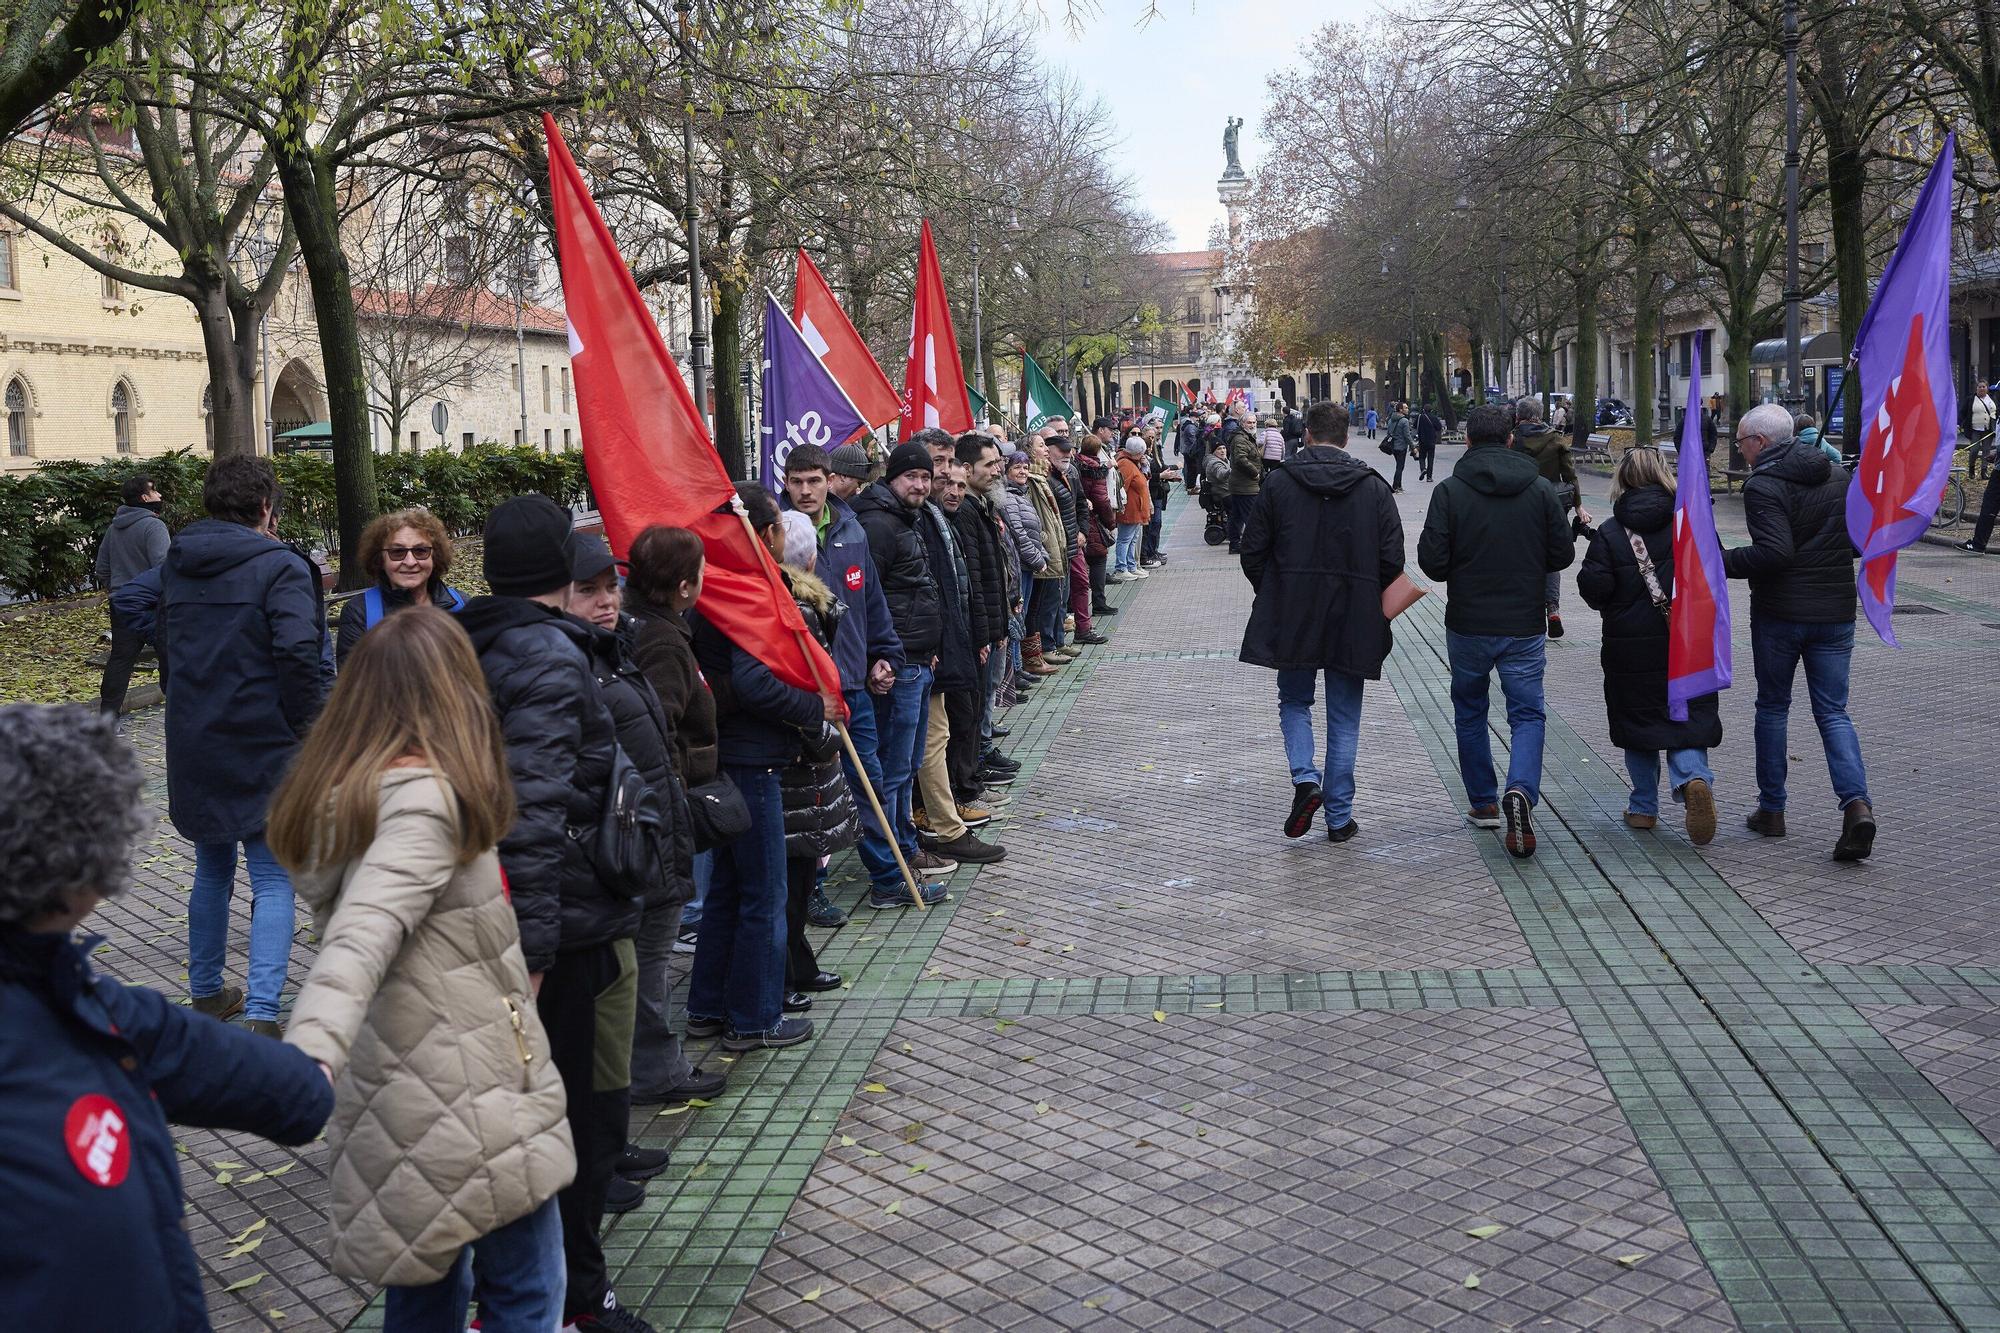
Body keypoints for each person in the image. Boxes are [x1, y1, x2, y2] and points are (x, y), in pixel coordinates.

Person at [270, 609, 575, 1331]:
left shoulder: (349, 794)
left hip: (398, 1090)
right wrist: (308, 1053)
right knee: (530, 1285)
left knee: (424, 1284)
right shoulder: (423, 800)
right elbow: (362, 933)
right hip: (469, 1090)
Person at [0, 703, 333, 1331]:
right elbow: (302, 1092)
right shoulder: (82, 1011)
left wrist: (309, 1079)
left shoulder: (87, 1002)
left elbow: (287, 1091)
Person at [456, 494, 648, 1333]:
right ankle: (576, 1298)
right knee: (583, 1114)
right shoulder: (546, 656)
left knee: (543, 1118)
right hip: (567, 928)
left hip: (542, 918)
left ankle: (539, 1292)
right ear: (555, 576)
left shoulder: (472, 642)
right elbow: (527, 813)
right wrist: (529, 954)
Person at [160, 454, 327, 1035]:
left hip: (194, 739)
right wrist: (311, 728)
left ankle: (207, 993)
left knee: (211, 866)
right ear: (265, 508)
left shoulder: (176, 562)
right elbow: (298, 654)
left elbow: (155, 636)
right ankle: (260, 1013)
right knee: (274, 876)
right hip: (263, 742)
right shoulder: (282, 567)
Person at [566, 532, 696, 1210]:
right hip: (613, 858)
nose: (607, 601)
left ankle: (613, 1143)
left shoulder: (616, 653)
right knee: (612, 1005)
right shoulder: (569, 668)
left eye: (611, 588)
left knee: (632, 991)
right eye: (590, 590)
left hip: (647, 837)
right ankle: (597, 1161)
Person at [689, 484, 842, 1049]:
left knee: (731, 888)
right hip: (752, 761)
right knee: (764, 892)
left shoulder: (722, 588)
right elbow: (755, 682)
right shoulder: (748, 595)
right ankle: (755, 1018)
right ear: (764, 534)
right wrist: (813, 705)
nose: (783, 532)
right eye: (777, 523)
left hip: (734, 755)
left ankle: (707, 1006)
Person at [1239, 403, 1403, 843]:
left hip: (1294, 611)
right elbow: (1394, 559)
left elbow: (1253, 550)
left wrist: (1277, 589)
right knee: (1345, 717)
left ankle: (1305, 779)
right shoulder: (1373, 487)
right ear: (1346, 437)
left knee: (1294, 701)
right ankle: (1338, 816)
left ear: (1307, 435)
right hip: (1354, 613)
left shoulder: (1278, 483)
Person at [1418, 403, 1575, 858]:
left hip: (1468, 622)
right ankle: (1521, 790)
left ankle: (1484, 801)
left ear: (1467, 441)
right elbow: (1561, 556)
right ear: (1511, 438)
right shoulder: (1541, 490)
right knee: (1527, 713)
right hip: (1523, 622)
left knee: (1470, 710)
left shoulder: (1449, 492)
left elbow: (1432, 562)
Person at [1724, 403, 1875, 861]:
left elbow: (1775, 553)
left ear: (1762, 443)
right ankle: (1856, 805)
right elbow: (1856, 542)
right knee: (1833, 712)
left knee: (1772, 707)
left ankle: (1772, 810)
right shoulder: (1838, 476)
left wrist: (1721, 560)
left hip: (1781, 613)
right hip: (1834, 611)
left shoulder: (1763, 485)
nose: (1739, 448)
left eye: (1742, 441)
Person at [622, 525, 731, 1108]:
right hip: (663, 806)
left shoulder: (655, 626)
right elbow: (655, 726)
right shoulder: (662, 641)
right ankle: (657, 1070)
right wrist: (681, 779)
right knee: (652, 951)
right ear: (685, 584)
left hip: (663, 799)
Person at [780, 443, 900, 927]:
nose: (806, 491)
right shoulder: (774, 533)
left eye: (814, 480)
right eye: (796, 482)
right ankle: (813, 890)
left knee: (868, 781)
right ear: (785, 482)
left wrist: (884, 653)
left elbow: (870, 599)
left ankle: (889, 876)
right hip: (806, 696)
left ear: (830, 479)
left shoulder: (850, 527)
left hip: (853, 683)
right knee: (816, 796)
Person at [1576, 448, 1722, 845]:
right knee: (1686, 715)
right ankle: (1693, 778)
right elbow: (1715, 570)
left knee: (1638, 721)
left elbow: (1595, 589)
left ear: (1620, 480)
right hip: (1687, 640)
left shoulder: (1610, 531)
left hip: (1630, 644)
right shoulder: (1689, 522)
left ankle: (1643, 807)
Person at [848, 446, 954, 909]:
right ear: (892, 478)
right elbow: (868, 602)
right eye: (911, 476)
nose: (921, 485)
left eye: (925, 477)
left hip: (918, 659)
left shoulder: (904, 519)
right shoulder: (878, 525)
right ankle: (892, 864)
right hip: (898, 664)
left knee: (906, 768)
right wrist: (883, 657)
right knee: (891, 772)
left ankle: (905, 848)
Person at [774, 514, 858, 1013]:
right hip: (799, 758)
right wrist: (822, 728)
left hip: (811, 756)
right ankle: (786, 969)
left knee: (801, 869)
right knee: (790, 874)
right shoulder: (796, 613)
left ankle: (797, 961)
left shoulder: (812, 607)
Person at [906, 442, 1005, 867]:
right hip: (919, 654)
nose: (943, 479)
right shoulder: (903, 521)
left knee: (942, 734)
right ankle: (938, 826)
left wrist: (979, 631)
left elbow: (966, 581)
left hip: (944, 645)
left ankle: (944, 818)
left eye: (948, 469)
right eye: (936, 468)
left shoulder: (934, 516)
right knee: (923, 745)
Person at [333, 506, 467, 665]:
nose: (410, 562)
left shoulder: (462, 604)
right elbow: (353, 686)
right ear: (380, 558)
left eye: (421, 551)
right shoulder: (360, 613)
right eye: (397, 552)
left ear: (435, 556)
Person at [1510, 396, 1587, 638]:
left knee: (1521, 554)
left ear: (1518, 415)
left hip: (1517, 505)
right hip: (1551, 505)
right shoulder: (1555, 438)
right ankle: (1552, 608)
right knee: (1551, 556)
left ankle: (1524, 608)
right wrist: (1579, 507)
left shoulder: (1512, 439)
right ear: (1540, 414)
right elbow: (1570, 475)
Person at [95, 473, 171, 716]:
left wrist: (118, 590)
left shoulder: (113, 529)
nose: (159, 495)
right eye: (154, 491)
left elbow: (101, 568)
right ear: (144, 497)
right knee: (168, 656)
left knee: (120, 660)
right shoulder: (154, 526)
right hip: (152, 605)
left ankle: (107, 718)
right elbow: (165, 567)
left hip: (121, 603)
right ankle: (176, 710)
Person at [1023, 436, 1072, 668]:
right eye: (1040, 446)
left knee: (1054, 600)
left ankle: (1052, 643)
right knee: (1042, 604)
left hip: (1053, 547)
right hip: (1044, 552)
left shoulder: (1041, 478)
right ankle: (1044, 648)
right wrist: (1042, 540)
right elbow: (1032, 518)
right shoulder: (1031, 481)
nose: (1045, 450)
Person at [1075, 434, 1120, 622]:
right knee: (1099, 559)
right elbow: (1102, 499)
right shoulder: (1095, 470)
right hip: (1092, 519)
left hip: (1078, 518)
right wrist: (1111, 522)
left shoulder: (1076, 465)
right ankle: (1099, 603)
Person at [1112, 436, 1154, 579]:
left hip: (1136, 509)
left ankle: (1131, 565)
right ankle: (1121, 568)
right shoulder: (1126, 464)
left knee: (1132, 538)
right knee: (1125, 539)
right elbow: (1122, 488)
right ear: (1139, 452)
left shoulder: (1132, 462)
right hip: (1130, 510)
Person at [1141, 423, 1178, 567]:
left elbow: (1159, 467)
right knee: (1151, 524)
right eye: (1149, 436)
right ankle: (1147, 553)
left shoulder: (1155, 450)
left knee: (1157, 523)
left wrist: (1170, 474)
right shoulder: (1142, 453)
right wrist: (1161, 476)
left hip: (1158, 492)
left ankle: (1153, 550)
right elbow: (1146, 476)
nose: (1152, 439)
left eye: (1153, 436)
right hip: (1150, 492)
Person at [1225, 407, 1263, 553]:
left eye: (1254, 422)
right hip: (1245, 485)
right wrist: (1255, 473)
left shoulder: (1246, 437)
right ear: (1242, 424)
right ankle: (1253, 545)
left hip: (1243, 484)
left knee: (1237, 516)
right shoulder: (1240, 438)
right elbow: (1241, 459)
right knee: (1251, 517)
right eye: (1249, 423)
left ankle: (1235, 544)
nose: (1252, 425)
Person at [1383, 401, 1414, 493]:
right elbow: (1407, 436)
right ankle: (1395, 486)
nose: (1407, 409)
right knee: (1400, 467)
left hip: (1393, 446)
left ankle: (1399, 485)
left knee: (1399, 466)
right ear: (1400, 410)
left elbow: (1389, 433)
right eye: (1406, 408)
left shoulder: (1391, 420)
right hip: (1401, 447)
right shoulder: (1404, 421)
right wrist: (1413, 446)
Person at [1415, 404, 1443, 482]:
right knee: (1430, 458)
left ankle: (1423, 469)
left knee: (1421, 457)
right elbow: (1439, 427)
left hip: (1422, 440)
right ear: (1431, 410)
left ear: (1423, 410)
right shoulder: (1434, 418)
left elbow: (1414, 426)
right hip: (1431, 441)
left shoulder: (1419, 417)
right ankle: (1429, 477)